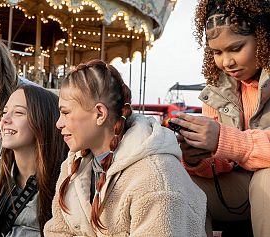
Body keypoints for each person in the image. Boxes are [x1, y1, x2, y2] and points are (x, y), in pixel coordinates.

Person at [44, 59, 207, 236]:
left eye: (66, 112)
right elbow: (57, 231)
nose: (58, 124)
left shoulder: (157, 179)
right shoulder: (72, 165)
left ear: (99, 114)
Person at [169, 0, 270, 236]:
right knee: (175, 184)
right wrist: (196, 158)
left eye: (236, 48)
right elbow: (221, 166)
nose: (226, 62)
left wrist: (223, 139)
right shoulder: (215, 91)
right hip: (242, 189)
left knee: (266, 181)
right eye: (217, 52)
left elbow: (231, 143)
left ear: (263, 37)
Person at [0, 84, 67, 237]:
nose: (4, 119)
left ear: (43, 121)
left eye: (18, 112)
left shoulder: (65, 176)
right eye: (5, 112)